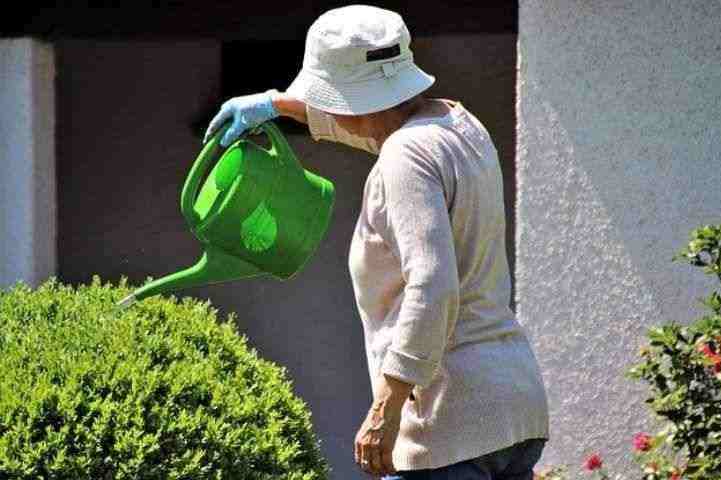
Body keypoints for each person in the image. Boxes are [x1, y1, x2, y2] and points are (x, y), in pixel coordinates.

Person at [203, 5, 550, 480]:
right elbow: (383, 134)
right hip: (513, 405)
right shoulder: (456, 123)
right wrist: (277, 104)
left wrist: (385, 411)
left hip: (448, 420)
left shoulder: (404, 156)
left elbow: (432, 287)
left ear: (350, 95)